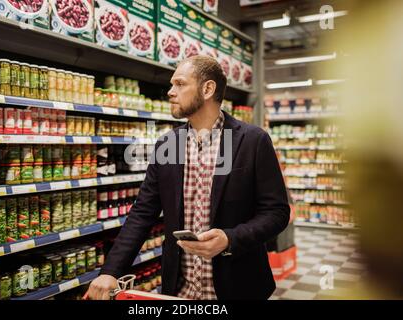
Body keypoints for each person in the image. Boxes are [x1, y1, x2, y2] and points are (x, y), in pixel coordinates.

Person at [87, 55, 290, 300]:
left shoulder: (252, 141)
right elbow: (143, 212)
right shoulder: (168, 145)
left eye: (180, 84)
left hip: (237, 287)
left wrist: (229, 239)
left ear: (207, 89)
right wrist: (111, 271)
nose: (171, 92)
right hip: (180, 291)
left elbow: (277, 212)